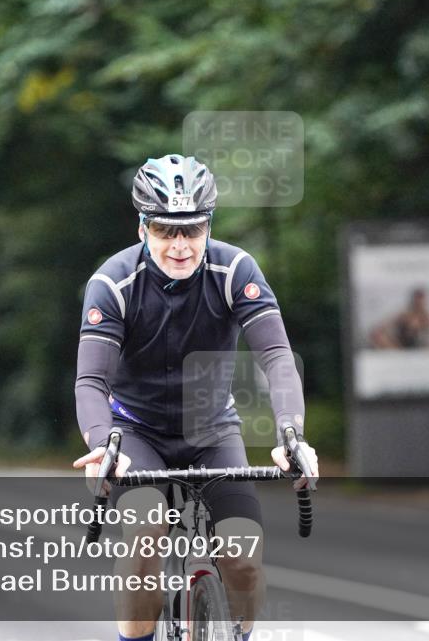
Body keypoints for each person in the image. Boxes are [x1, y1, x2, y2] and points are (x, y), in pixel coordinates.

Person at [73, 154, 319, 641]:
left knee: (244, 555)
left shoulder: (235, 270)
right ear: (142, 228)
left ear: (210, 225)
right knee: (144, 538)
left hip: (211, 430)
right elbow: (91, 383)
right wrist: (104, 445)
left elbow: (275, 355)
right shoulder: (112, 282)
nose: (181, 246)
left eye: (193, 230)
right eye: (166, 231)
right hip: (135, 434)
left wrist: (292, 434)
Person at [369, 286, 429, 350]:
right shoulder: (405, 314)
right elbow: (385, 324)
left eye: (421, 300)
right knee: (378, 335)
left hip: (416, 348)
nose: (418, 302)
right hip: (400, 346)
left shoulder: (426, 317)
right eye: (417, 299)